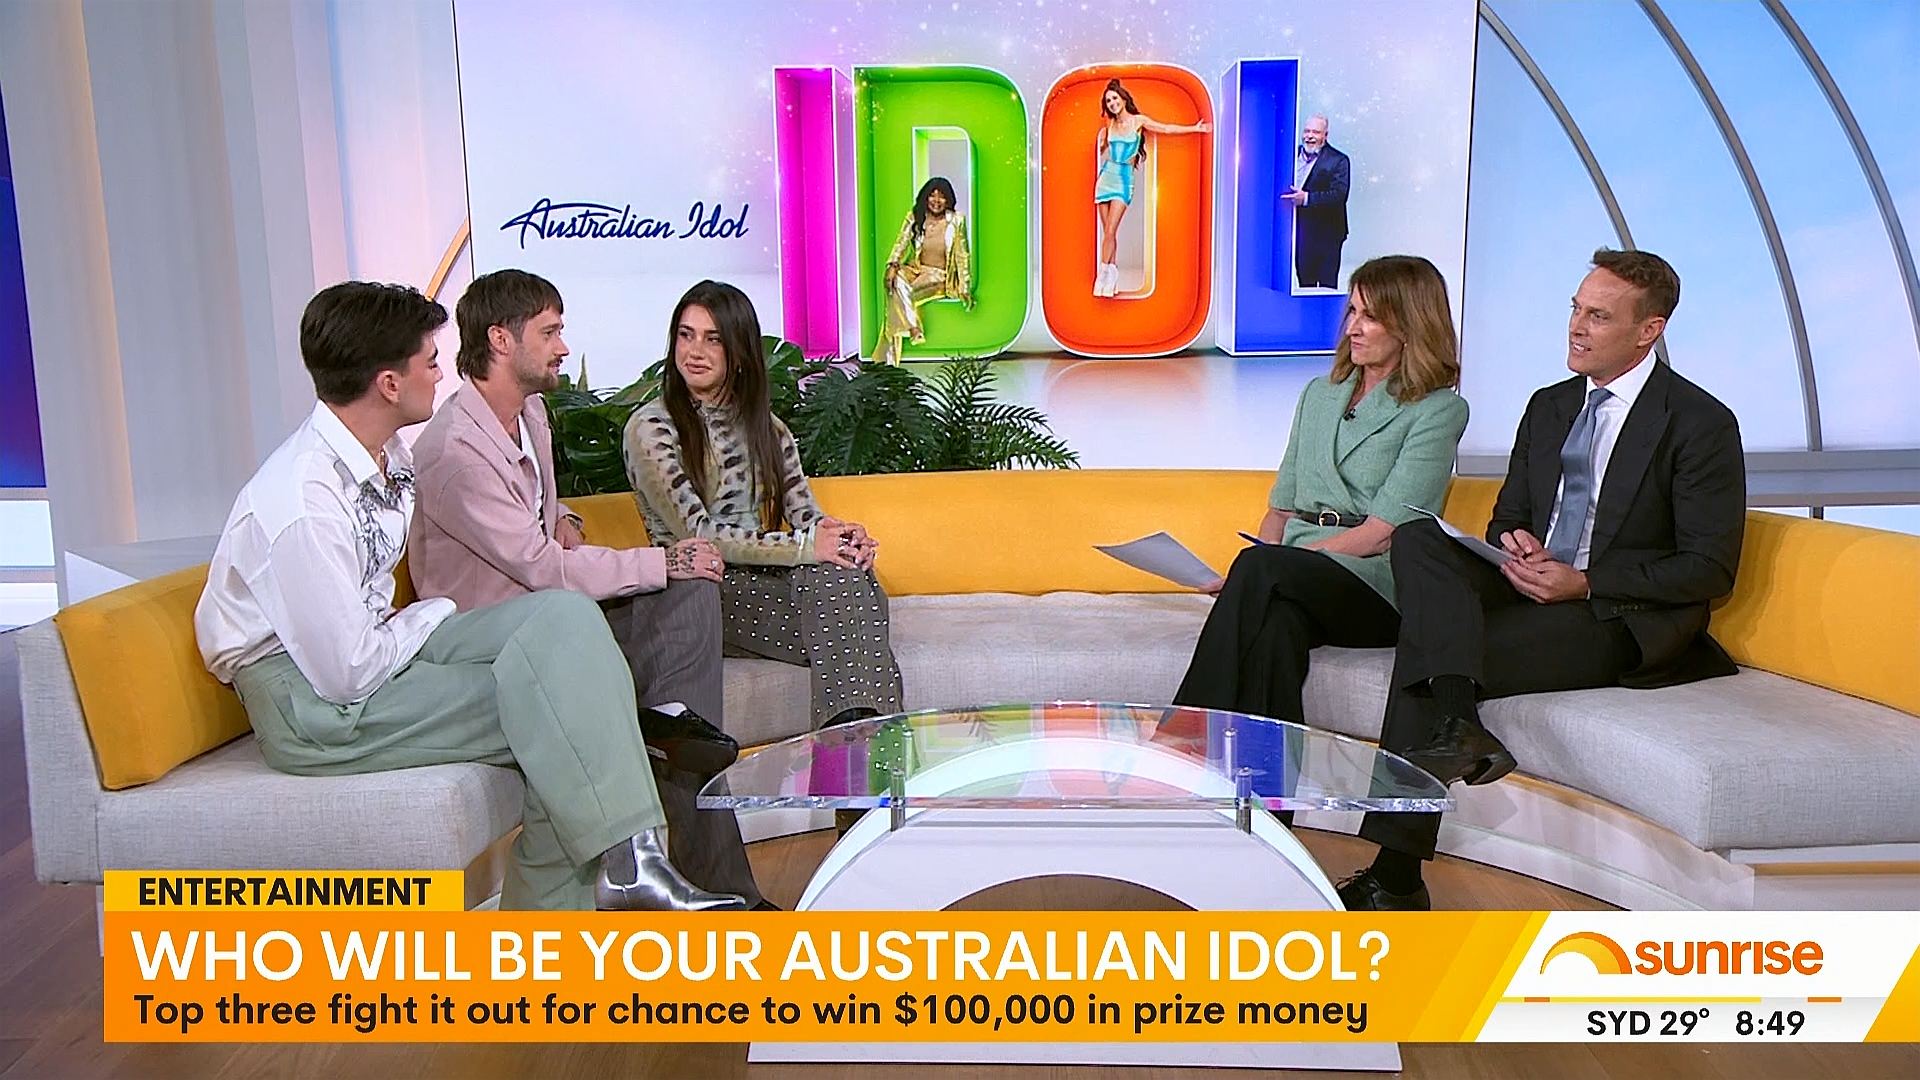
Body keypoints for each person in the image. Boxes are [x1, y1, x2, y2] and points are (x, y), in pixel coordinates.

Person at [194, 280, 745, 912]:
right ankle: (621, 870)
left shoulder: (385, 454)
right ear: (388, 383)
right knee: (562, 713)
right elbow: (346, 674)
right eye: (429, 361)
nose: (442, 372)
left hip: (378, 646)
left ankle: (624, 865)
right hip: (314, 702)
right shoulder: (303, 503)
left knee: (564, 621)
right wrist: (426, 614)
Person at [1339, 249, 1745, 911]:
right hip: (1528, 583)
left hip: (1616, 614)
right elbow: (1511, 514)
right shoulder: (1550, 405)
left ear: (1649, 331)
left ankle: (1396, 874)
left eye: (1599, 316)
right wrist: (1514, 541)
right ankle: (1457, 724)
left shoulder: (1698, 423)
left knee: (1432, 649)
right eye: (1576, 309)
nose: (1577, 327)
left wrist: (1583, 582)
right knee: (1416, 536)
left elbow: (1709, 567)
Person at [407, 268, 771, 909]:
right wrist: (662, 560)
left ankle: (670, 753)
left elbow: (534, 522)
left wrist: (566, 517)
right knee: (676, 596)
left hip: (556, 617)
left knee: (692, 601)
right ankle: (668, 800)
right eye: (549, 333)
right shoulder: (455, 450)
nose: (563, 348)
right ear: (500, 340)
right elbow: (539, 568)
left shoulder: (530, 414)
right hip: (508, 642)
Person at [1174, 255, 1468, 737]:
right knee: (1276, 629)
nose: (1352, 328)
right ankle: (1267, 780)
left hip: (1375, 581)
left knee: (1259, 568)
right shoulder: (1318, 394)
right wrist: (1269, 569)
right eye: (1352, 311)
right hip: (1295, 575)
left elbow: (1381, 534)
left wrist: (1275, 565)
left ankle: (1187, 732)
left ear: (1409, 326)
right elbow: (1280, 510)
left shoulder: (1438, 410)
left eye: (1370, 316)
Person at [625, 279, 904, 736]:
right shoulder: (651, 427)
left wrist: (841, 541)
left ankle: (851, 748)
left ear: (738, 352)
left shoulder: (768, 429)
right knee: (855, 618)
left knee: (843, 577)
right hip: (699, 590)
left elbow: (807, 517)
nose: (694, 351)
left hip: (764, 581)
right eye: (686, 335)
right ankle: (869, 760)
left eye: (713, 339)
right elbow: (700, 533)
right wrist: (810, 547)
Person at [1093, 77, 1210, 298]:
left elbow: (1165, 128)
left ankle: (1103, 274)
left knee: (1110, 230)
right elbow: (1103, 149)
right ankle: (1111, 275)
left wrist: (1195, 128)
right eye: (1108, 101)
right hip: (1105, 178)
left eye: (1115, 98)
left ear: (1123, 99)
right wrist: (1100, 147)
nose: (1112, 103)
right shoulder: (1110, 125)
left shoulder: (1138, 121)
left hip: (1123, 179)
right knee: (1107, 232)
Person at [874, 177, 974, 365]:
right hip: (916, 269)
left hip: (939, 276)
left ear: (948, 200)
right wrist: (892, 265)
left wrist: (965, 287)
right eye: (932, 195)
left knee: (896, 297)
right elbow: (901, 243)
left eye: (941, 196)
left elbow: (962, 255)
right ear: (925, 198)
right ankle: (913, 327)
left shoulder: (956, 220)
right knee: (895, 280)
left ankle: (885, 362)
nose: (936, 200)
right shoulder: (916, 216)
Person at [1285, 115, 1350, 289]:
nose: (1310, 136)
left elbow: (1338, 195)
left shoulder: (1339, 160)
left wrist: (1306, 198)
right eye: (1307, 131)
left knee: (1327, 286)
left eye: (1315, 132)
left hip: (1327, 235)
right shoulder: (1290, 156)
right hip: (1301, 233)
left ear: (1325, 135)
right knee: (1305, 283)